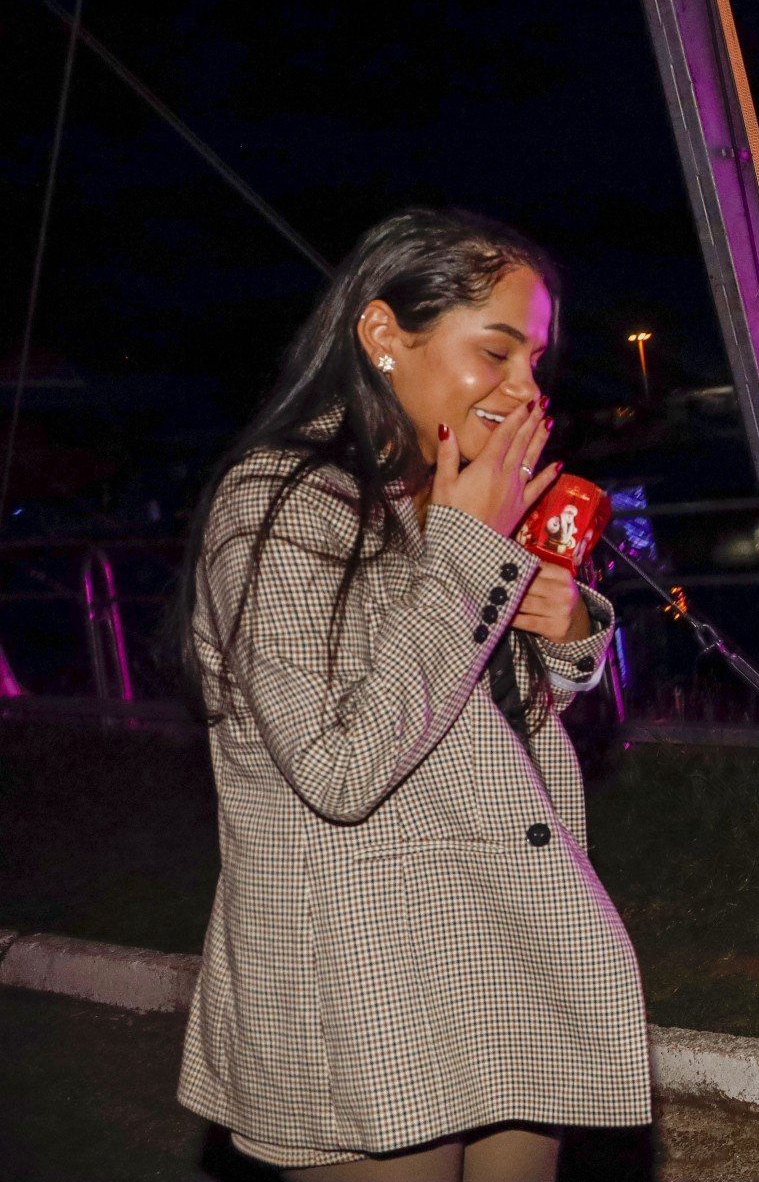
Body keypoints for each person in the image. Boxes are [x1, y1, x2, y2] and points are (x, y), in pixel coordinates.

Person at [170, 209, 649, 1180]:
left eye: (535, 360)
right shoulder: (274, 503)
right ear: (386, 335)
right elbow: (341, 764)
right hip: (367, 977)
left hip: (500, 944)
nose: (525, 389)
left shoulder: (449, 493)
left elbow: (479, 724)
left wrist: (563, 638)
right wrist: (475, 551)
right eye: (497, 351)